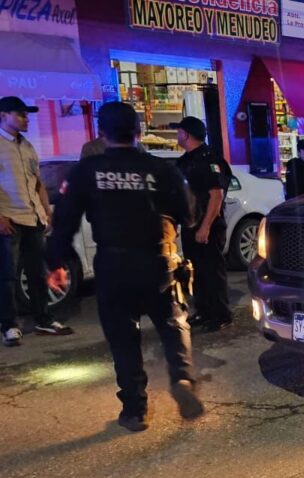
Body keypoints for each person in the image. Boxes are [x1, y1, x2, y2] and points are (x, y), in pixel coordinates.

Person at [46, 102, 202, 432]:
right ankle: (182, 378)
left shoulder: (88, 170)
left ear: (102, 133)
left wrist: (57, 262)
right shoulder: (160, 169)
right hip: (157, 262)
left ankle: (135, 410)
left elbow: (65, 220)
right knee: (173, 322)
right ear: (139, 131)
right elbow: (189, 215)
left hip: (112, 264)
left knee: (123, 339)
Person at [0, 96, 73, 347]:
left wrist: (46, 212)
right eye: (20, 114)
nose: (26, 119)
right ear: (3, 116)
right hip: (9, 219)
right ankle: (9, 325)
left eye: (27, 115)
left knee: (37, 272)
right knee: (8, 275)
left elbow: (38, 183)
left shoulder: (28, 146)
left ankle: (43, 318)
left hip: (33, 219)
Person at [173, 117, 233, 333]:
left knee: (212, 272)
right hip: (191, 225)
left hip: (209, 227)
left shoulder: (210, 160)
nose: (177, 135)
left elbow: (216, 196)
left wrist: (205, 227)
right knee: (196, 271)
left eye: (179, 131)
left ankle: (221, 314)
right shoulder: (185, 161)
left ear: (186, 134)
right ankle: (204, 311)